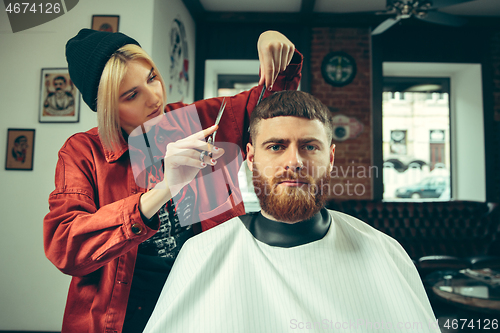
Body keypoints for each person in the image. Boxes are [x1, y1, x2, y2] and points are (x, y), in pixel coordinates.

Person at [43, 28, 302, 333]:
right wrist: (165, 188)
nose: (154, 97)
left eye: (151, 78)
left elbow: (268, 109)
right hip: (122, 319)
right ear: (107, 107)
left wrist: (273, 44)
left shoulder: (197, 120)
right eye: (131, 95)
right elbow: (67, 248)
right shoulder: (82, 152)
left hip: (205, 308)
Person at [143, 91, 439, 333]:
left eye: (310, 147)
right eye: (275, 146)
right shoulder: (201, 254)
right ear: (251, 157)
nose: (294, 161)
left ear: (331, 157)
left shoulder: (384, 251)